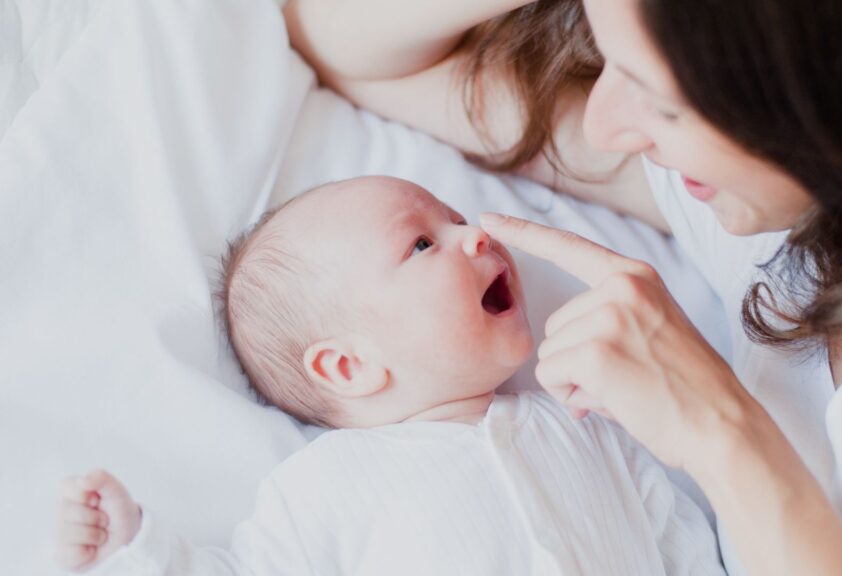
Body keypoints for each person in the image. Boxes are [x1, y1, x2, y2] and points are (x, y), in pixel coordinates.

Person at [285, 0, 842, 574]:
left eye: (655, 97)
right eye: (609, 62)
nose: (605, 125)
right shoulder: (782, 219)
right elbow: (352, 49)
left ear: (834, 112)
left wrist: (719, 429)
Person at [54, 176, 725, 576]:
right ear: (349, 366)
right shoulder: (324, 486)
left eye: (457, 220)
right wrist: (135, 547)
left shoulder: (585, 420)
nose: (476, 237)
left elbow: (684, 547)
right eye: (423, 244)